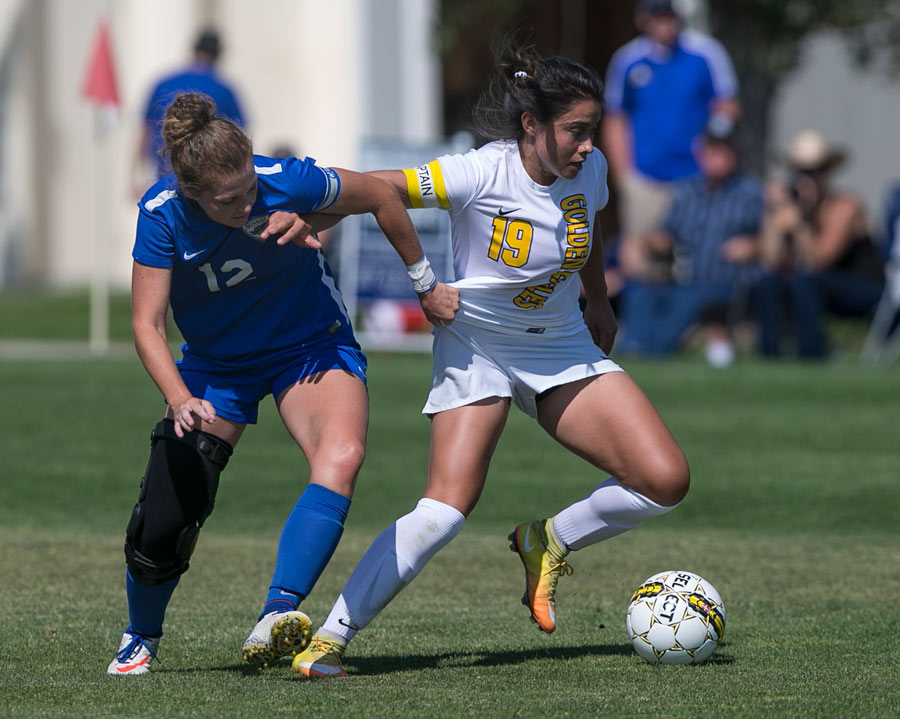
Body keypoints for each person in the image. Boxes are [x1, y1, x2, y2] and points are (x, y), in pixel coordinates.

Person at [289, 42, 690, 679]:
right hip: (477, 343)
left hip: (559, 342)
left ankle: (548, 539)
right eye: (575, 132)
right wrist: (308, 210)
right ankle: (329, 639)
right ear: (532, 126)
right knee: (445, 509)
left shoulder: (590, 169)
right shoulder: (479, 173)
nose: (588, 146)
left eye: (592, 132)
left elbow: (587, 227)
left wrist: (600, 301)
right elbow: (379, 187)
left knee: (664, 480)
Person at [106, 93, 458, 676]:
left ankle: (279, 614)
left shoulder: (281, 178)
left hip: (309, 345)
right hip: (216, 366)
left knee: (341, 455)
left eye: (250, 188)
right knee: (168, 511)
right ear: (193, 193)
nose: (248, 203)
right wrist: (179, 398)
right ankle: (140, 635)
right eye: (229, 199)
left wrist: (422, 281)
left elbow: (379, 194)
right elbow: (146, 324)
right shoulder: (161, 211)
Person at [603, 0, 740, 285]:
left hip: (694, 175)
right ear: (643, 20)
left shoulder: (705, 52)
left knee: (695, 253)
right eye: (659, 17)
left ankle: (697, 321)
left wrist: (714, 149)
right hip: (645, 173)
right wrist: (623, 176)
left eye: (670, 17)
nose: (666, 24)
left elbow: (726, 105)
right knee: (639, 254)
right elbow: (616, 119)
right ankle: (642, 321)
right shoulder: (627, 59)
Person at [616, 115, 763, 366]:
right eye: (713, 149)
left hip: (725, 281)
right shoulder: (686, 191)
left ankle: (654, 352)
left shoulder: (751, 193)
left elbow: (770, 239)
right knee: (640, 291)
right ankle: (631, 347)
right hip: (684, 278)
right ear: (702, 152)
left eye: (725, 150)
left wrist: (755, 245)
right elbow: (664, 231)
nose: (719, 156)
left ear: (735, 152)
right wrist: (657, 242)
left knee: (688, 302)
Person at [757, 130, 884, 358]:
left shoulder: (845, 206)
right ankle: (769, 355)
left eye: (813, 172)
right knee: (768, 283)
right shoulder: (791, 208)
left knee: (805, 282)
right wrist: (773, 220)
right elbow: (769, 262)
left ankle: (812, 354)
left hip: (864, 288)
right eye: (800, 172)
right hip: (815, 286)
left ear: (826, 173)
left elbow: (819, 262)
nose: (806, 179)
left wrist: (800, 226)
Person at [132, 29, 246, 194]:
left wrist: (135, 176)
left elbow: (145, 132)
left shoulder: (162, 83)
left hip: (165, 176)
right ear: (218, 53)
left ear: (193, 50)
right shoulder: (223, 88)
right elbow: (238, 137)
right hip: (209, 184)